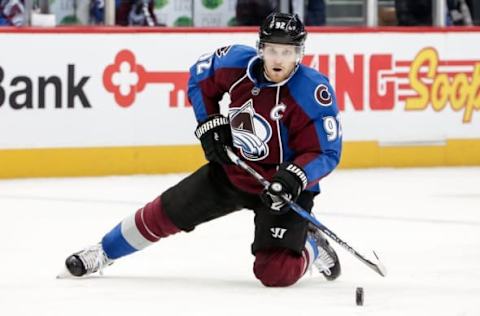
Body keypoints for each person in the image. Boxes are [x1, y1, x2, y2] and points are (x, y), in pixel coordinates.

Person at [61, 12, 343, 287]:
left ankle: (310, 244)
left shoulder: (313, 91)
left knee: (275, 273)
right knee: (163, 213)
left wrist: (294, 178)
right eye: (272, 50)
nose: (279, 59)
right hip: (234, 171)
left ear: (299, 53)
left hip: (283, 189)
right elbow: (198, 79)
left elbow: (326, 152)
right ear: (260, 48)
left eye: (287, 51)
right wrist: (209, 121)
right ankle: (103, 251)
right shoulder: (234, 64)